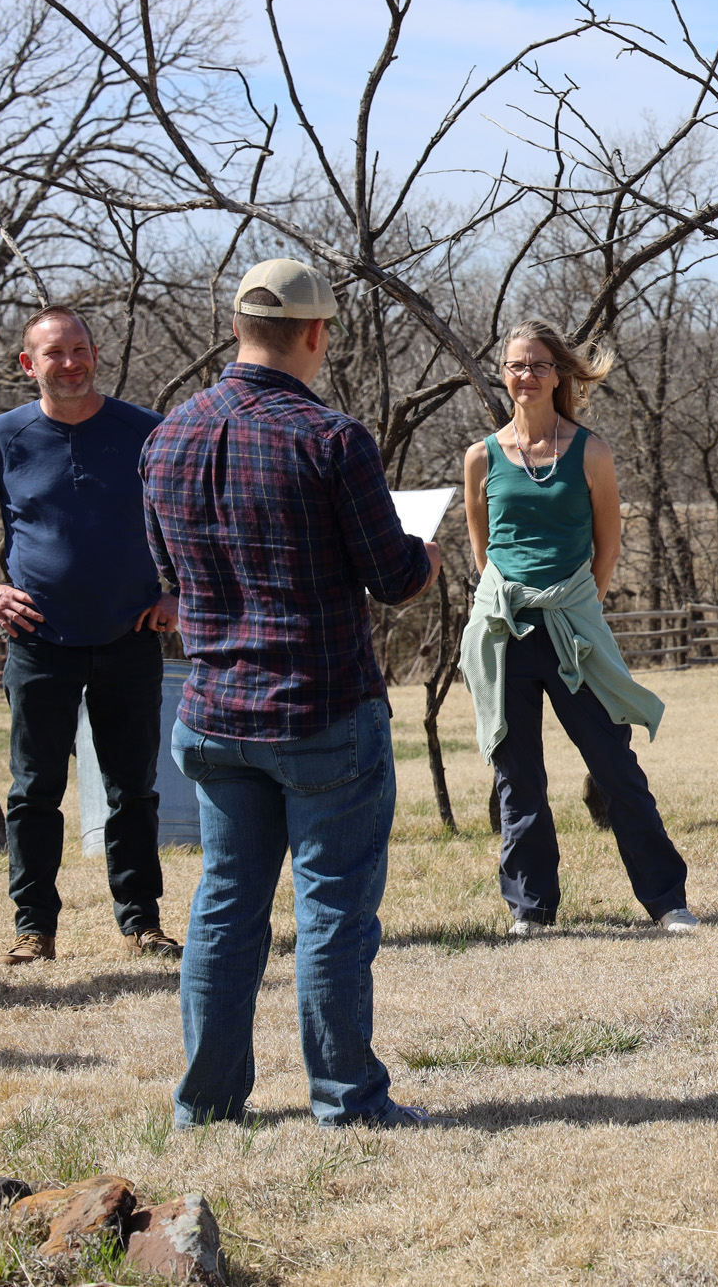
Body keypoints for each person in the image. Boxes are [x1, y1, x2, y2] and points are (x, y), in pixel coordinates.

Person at [142, 258, 440, 1129]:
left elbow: (169, 576)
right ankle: (346, 1099)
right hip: (320, 708)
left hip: (214, 709)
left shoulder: (166, 438)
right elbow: (391, 577)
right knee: (332, 908)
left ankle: (208, 1103)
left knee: (226, 904)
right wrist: (422, 550)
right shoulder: (331, 438)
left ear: (237, 328)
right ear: (316, 334)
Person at [0, 307, 180, 967]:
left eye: (81, 349)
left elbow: (193, 516)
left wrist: (177, 591)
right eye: (56, 353)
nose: (72, 362)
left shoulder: (145, 431)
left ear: (97, 353)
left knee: (133, 789)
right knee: (34, 790)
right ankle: (34, 930)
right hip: (38, 641)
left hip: (129, 637)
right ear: (30, 365)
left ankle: (142, 924)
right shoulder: (1, 439)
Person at [459, 318, 696, 939]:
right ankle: (530, 908)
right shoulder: (481, 457)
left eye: (538, 364)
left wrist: (574, 604)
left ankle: (668, 900)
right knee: (519, 774)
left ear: (560, 373)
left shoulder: (590, 451)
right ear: (504, 374)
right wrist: (508, 603)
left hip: (573, 630)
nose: (526, 375)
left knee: (614, 764)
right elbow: (483, 552)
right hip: (506, 632)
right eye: (515, 364)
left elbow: (607, 547)